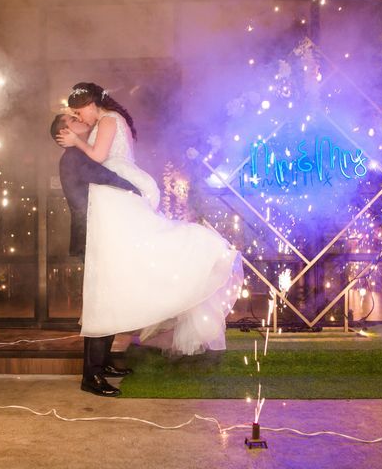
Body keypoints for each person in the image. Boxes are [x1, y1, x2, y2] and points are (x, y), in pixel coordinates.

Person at [56, 82, 243, 356]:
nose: (78, 117)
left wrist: (76, 141)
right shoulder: (111, 120)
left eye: (78, 111)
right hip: (117, 188)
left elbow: (98, 156)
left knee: (134, 255)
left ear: (91, 104)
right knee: (133, 257)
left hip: (116, 191)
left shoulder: (107, 120)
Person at [50, 113, 138, 397]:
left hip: (99, 236)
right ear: (65, 132)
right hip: (92, 238)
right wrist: (134, 187)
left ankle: (103, 364)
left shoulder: (79, 153)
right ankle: (91, 376)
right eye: (73, 119)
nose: (81, 120)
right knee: (100, 304)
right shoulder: (74, 156)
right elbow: (103, 176)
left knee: (107, 301)